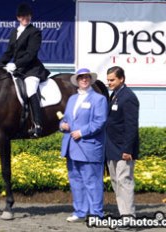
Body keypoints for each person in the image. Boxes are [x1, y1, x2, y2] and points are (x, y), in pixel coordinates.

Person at [60, 68, 108, 222]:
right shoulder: (72, 99)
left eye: (86, 77)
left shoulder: (99, 99)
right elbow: (65, 119)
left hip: (89, 146)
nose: (84, 80)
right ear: (77, 81)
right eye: (81, 78)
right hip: (71, 147)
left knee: (92, 182)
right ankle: (80, 211)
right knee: (76, 181)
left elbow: (100, 122)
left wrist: (82, 132)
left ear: (91, 80)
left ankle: (96, 213)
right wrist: (63, 125)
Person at [0, 2, 50, 137]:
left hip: (32, 69)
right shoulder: (14, 32)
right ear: (18, 18)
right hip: (19, 69)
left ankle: (37, 124)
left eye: (28, 16)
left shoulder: (35, 32)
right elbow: (9, 52)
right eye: (22, 16)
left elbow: (31, 54)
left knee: (30, 89)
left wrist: (16, 64)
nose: (25, 18)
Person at [105, 66, 139, 221]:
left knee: (124, 182)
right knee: (116, 183)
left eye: (112, 80)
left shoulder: (128, 97)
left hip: (123, 150)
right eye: (108, 80)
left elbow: (131, 126)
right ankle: (124, 214)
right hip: (112, 148)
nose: (109, 83)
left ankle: (129, 218)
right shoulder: (115, 95)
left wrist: (127, 149)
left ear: (121, 79)